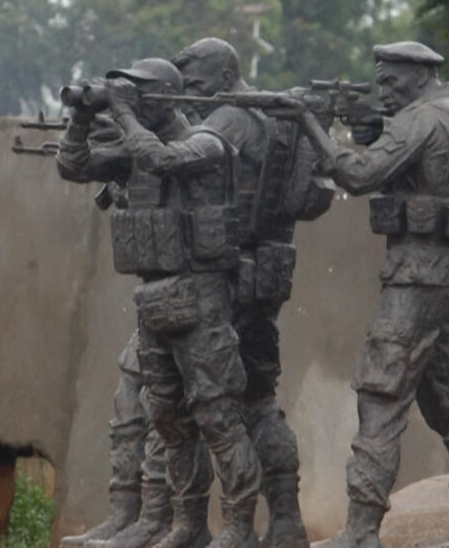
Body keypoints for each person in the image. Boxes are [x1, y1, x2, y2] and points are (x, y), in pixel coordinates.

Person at [270, 41, 449, 548]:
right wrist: (373, 129)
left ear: (419, 74)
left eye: (392, 81)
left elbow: (360, 174)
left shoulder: (421, 119)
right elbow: (418, 167)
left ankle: (361, 531)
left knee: (380, 395)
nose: (385, 91)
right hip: (448, 272)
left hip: (416, 276)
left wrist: (312, 124)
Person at [57, 58, 261, 548]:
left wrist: (123, 114)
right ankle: (186, 525)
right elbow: (74, 165)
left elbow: (163, 160)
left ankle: (238, 530)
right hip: (154, 299)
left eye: (138, 92)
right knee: (167, 419)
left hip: (201, 298)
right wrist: (83, 118)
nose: (128, 100)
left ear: (166, 97)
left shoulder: (207, 143)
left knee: (217, 415)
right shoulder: (135, 148)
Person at [170, 37, 334, 548]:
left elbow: (169, 164)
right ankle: (285, 517)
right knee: (259, 398)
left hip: (222, 281)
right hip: (265, 273)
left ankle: (224, 526)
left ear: (222, 77)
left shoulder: (227, 121)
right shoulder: (275, 117)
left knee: (203, 404)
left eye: (195, 85)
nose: (190, 95)